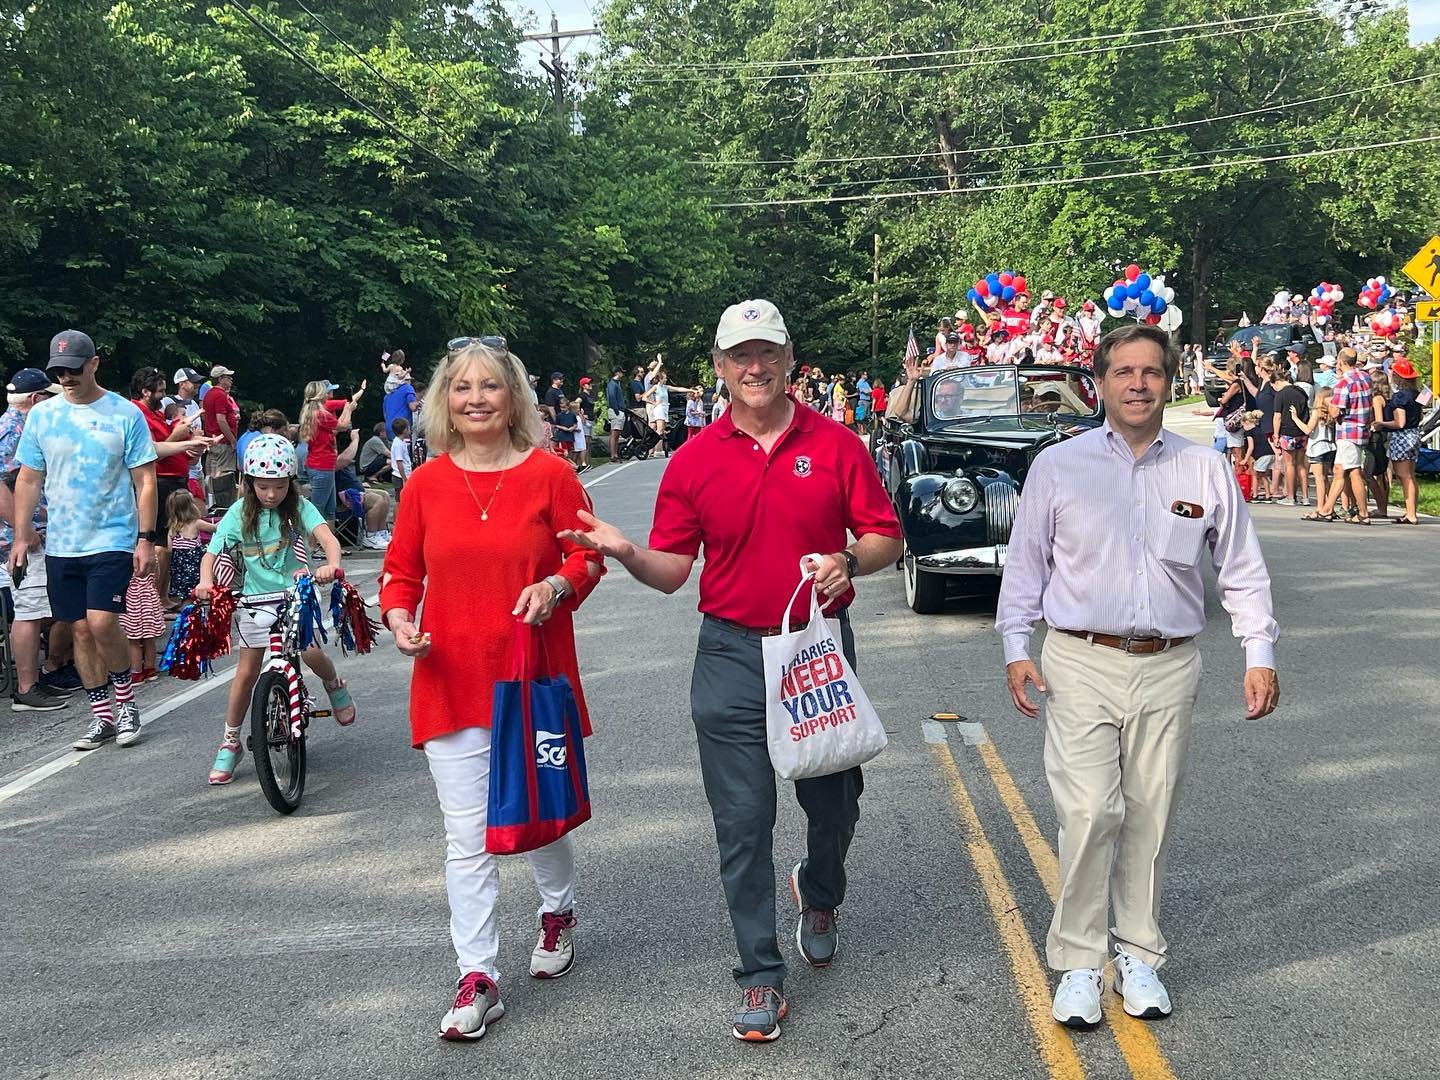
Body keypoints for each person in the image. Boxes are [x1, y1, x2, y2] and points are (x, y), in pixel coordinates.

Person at [559, 299, 903, 1043]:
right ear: (719, 368)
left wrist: (849, 562)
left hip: (816, 649)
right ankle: (758, 974)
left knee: (835, 803)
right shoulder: (694, 459)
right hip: (730, 656)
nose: (755, 368)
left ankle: (819, 890)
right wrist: (622, 552)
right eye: (740, 356)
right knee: (743, 824)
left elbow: (884, 537)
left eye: (767, 353)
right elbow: (673, 570)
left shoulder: (838, 444)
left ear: (789, 359)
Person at [997, 323, 1278, 1031]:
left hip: (1170, 663)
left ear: (1169, 380)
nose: (1137, 385)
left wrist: (1259, 654)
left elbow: (1240, 569)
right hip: (1078, 659)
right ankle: (1080, 965)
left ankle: (1139, 954)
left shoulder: (1204, 468)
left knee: (1150, 814)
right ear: (1100, 380)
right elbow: (1026, 563)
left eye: (1151, 372)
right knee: (1092, 812)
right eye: (1123, 372)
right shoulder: (1058, 467)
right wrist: (1014, 645)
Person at [378, 340, 604, 1042]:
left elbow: (589, 553)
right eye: (462, 388)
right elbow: (399, 572)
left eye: (490, 387)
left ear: (514, 398)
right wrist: (398, 619)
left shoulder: (551, 475)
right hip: (448, 678)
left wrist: (559, 583)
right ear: (445, 401)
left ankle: (557, 909)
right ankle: (477, 976)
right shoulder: (425, 485)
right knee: (467, 836)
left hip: (531, 676)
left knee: (539, 815)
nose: (476, 398)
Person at [8, 330, 160, 751]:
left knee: (101, 621)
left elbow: (144, 480)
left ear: (94, 363)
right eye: (59, 370)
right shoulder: (43, 415)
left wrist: (145, 538)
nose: (67, 376)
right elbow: (29, 477)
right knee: (78, 630)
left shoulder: (124, 413)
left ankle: (126, 702)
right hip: (62, 542)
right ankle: (102, 716)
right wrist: (21, 535)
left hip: (112, 536)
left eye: (74, 368)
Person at [196, 435, 355, 785]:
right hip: (254, 600)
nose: (271, 495)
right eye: (263, 487)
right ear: (250, 483)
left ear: (291, 483)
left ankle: (333, 683)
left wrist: (330, 564)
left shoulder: (300, 508)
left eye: (279, 487)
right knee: (247, 671)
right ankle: (230, 741)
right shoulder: (239, 513)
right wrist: (206, 581)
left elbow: (328, 538)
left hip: (295, 594)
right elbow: (211, 553)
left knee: (311, 652)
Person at [0, 368, 69, 711]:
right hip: (22, 540)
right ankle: (26, 688)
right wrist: (23, 531)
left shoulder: (20, 427)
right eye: (46, 396)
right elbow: (0, 484)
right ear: (33, 399)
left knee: (38, 607)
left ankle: (35, 680)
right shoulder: (10, 430)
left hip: (33, 533)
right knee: (28, 610)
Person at [131, 367, 215, 607]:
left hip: (175, 480)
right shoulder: (138, 415)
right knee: (160, 545)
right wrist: (178, 436)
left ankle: (163, 597)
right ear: (145, 392)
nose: (164, 396)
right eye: (160, 391)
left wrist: (192, 445)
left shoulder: (155, 414)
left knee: (167, 545)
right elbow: (149, 454)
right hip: (159, 482)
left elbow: (170, 447)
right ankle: (154, 600)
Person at [1309, 349, 1372, 524]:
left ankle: (1363, 513)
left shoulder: (1344, 383)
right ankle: (1327, 509)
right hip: (1361, 429)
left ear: (1340, 362)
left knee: (1353, 471)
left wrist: (1329, 403)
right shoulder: (1365, 377)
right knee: (1339, 470)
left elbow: (1336, 411)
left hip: (1348, 431)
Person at [299, 379, 365, 523]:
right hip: (322, 466)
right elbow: (342, 426)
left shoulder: (313, 412)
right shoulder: (320, 414)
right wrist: (348, 410)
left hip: (321, 464)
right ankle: (311, 544)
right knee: (318, 509)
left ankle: (329, 544)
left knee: (330, 509)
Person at [1374, 358, 1422, 524]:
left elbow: (1399, 422)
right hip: (1414, 433)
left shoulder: (1400, 397)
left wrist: (1380, 423)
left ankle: (1411, 514)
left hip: (1402, 436)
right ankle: (1411, 511)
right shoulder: (1417, 394)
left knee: (1404, 476)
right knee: (1411, 475)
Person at [121, 550, 163, 683]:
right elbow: (157, 575)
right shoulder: (151, 555)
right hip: (149, 597)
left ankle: (136, 671)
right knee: (149, 638)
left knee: (133, 640)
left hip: (131, 600)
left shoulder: (125, 556)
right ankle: (150, 668)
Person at [201, 365, 240, 508]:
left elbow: (207, 417)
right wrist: (232, 440)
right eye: (228, 377)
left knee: (213, 474)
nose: (231, 379)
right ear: (220, 379)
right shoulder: (220, 395)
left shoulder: (209, 394)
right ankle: (223, 507)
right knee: (223, 475)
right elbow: (221, 419)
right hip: (222, 442)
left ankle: (212, 504)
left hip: (213, 440)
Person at [165, 488, 213, 602]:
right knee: (194, 594)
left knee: (185, 595)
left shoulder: (173, 526)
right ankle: (191, 616)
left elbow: (169, 548)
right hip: (193, 565)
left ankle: (186, 613)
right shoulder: (196, 523)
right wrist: (227, 518)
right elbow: (215, 528)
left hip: (178, 567)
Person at [1270, 365, 1309, 504]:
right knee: (1301, 464)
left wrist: (1275, 435)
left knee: (1289, 464)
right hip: (1301, 431)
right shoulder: (1301, 391)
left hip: (1287, 432)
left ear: (1277, 382)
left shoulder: (1281, 394)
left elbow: (1277, 416)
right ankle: (1305, 497)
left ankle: (1291, 496)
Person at [605, 367, 626, 462]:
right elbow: (612, 397)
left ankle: (615, 454)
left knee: (617, 434)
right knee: (614, 433)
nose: (622, 374)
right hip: (615, 411)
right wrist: (616, 410)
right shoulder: (612, 384)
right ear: (617, 373)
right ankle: (613, 455)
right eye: (621, 372)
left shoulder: (617, 384)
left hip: (619, 410)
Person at [389, 417, 413, 500]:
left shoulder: (401, 442)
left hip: (403, 475)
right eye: (408, 427)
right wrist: (404, 478)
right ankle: (397, 513)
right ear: (405, 430)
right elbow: (399, 462)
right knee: (400, 500)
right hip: (400, 476)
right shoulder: (398, 444)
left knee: (404, 499)